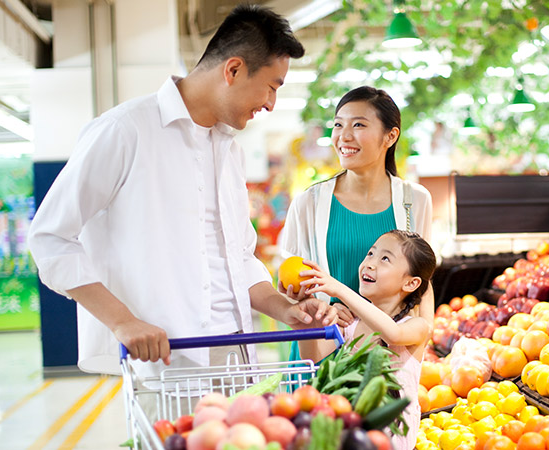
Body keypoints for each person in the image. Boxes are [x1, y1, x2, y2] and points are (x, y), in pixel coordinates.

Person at [27, 4, 336, 378]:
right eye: (272, 86)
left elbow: (238, 257)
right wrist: (122, 321)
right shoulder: (125, 131)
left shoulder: (228, 150)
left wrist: (283, 308)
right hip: (167, 363)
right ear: (233, 69)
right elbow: (50, 237)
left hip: (237, 354)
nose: (271, 103)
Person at [278, 86, 435, 338]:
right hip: (324, 346)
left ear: (390, 136)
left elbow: (423, 279)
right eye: (338, 125)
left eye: (359, 125)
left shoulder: (414, 200)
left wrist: (425, 334)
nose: (344, 136)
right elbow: (292, 279)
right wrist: (316, 303)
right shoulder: (309, 202)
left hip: (385, 351)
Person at [294, 230, 436, 450]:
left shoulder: (415, 327)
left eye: (385, 258)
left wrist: (339, 289)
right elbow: (312, 355)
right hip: (352, 436)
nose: (369, 263)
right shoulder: (350, 323)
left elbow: (392, 334)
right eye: (370, 253)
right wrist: (304, 315)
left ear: (410, 284)